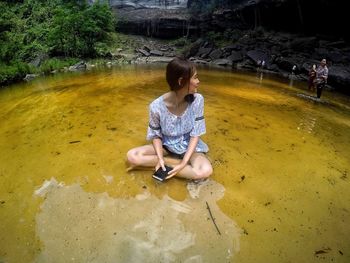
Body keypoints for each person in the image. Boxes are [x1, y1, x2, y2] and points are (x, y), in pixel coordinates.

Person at [126, 57, 213, 180]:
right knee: (132, 156)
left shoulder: (197, 100)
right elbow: (156, 135)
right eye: (195, 77)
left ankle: (163, 165)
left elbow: (195, 134)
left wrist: (184, 162)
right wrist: (160, 158)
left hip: (188, 145)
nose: (198, 81)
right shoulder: (156, 106)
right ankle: (167, 163)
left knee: (205, 171)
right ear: (181, 81)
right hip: (167, 144)